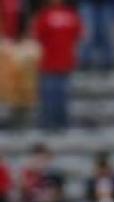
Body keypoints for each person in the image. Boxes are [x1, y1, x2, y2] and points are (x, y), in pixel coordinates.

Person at [33, 0, 83, 130]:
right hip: (48, 63)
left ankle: (62, 123)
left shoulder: (71, 15)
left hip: (65, 63)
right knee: (48, 96)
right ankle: (47, 123)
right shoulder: (44, 15)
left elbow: (78, 34)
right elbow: (38, 36)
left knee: (63, 96)